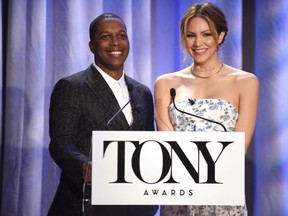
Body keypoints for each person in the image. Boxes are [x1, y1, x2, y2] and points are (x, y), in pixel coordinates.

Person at [154, 2, 259, 216]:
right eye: (191, 35)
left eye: (206, 34)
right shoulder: (165, 84)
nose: (198, 43)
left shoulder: (245, 82)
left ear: (220, 36)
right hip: (179, 197)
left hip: (222, 196)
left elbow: (237, 151)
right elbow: (167, 146)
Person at [48, 13, 158, 216]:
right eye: (106, 36)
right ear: (92, 45)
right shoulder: (72, 87)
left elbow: (147, 144)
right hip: (85, 203)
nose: (115, 42)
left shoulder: (142, 92)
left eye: (121, 35)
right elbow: (61, 142)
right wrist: (85, 167)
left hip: (135, 206)